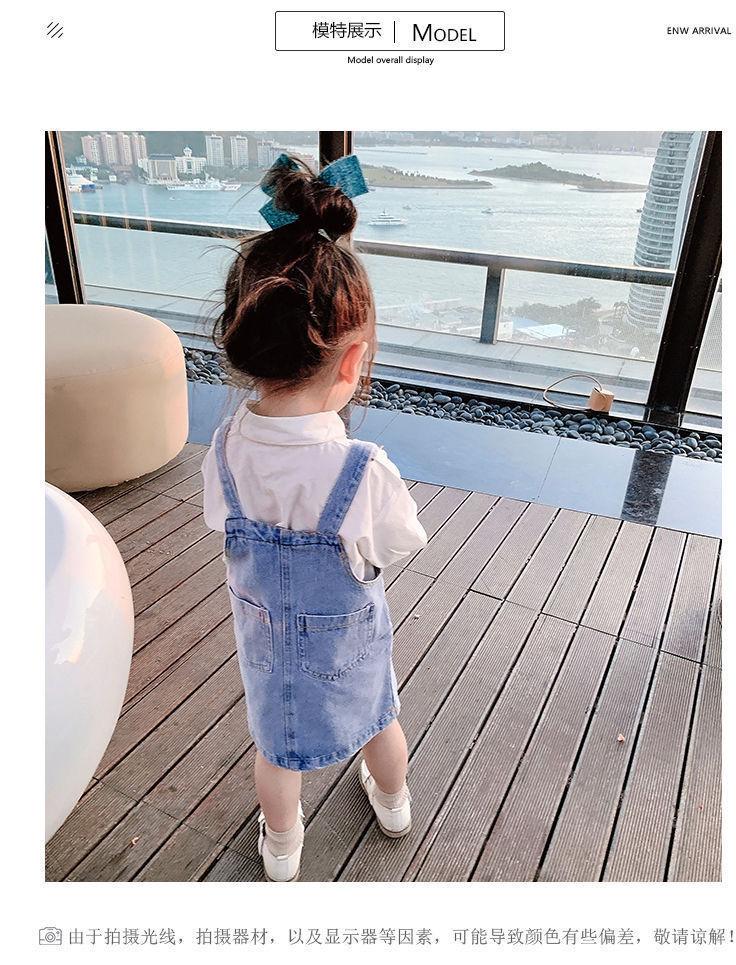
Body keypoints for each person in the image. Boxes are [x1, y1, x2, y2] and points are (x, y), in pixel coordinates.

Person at [201, 155, 428, 881]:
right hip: (350, 647)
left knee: (276, 751)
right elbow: (399, 541)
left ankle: (282, 845)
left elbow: (220, 522)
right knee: (378, 721)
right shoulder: (362, 468)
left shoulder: (225, 447)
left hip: (266, 645)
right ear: (352, 361)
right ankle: (393, 803)